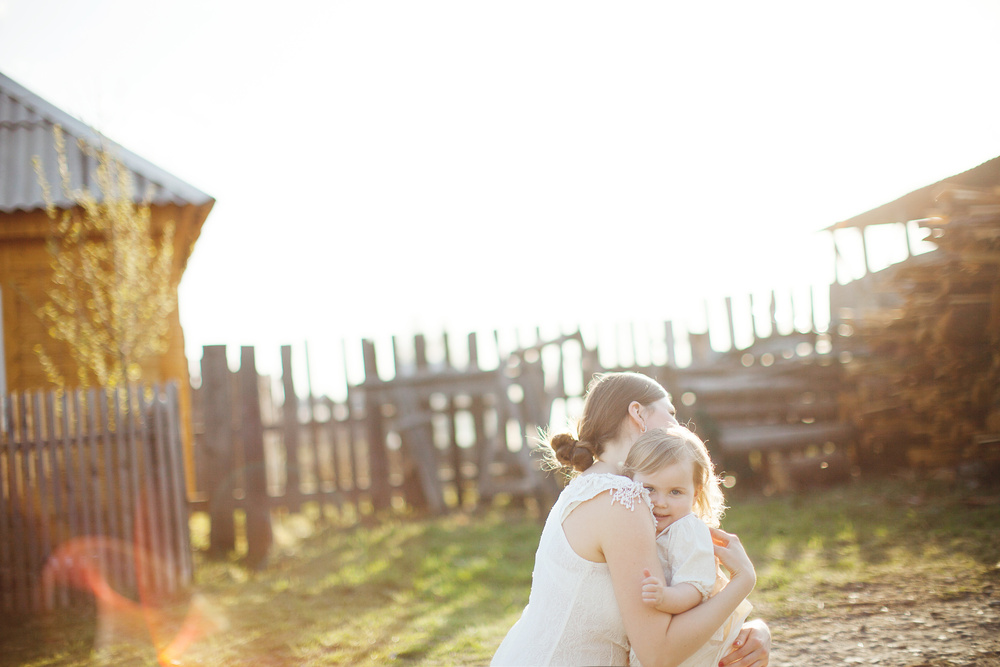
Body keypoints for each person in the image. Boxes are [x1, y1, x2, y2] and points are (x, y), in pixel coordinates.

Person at [491, 372, 770, 667]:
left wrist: (752, 630)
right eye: (671, 413)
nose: (677, 426)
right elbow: (658, 654)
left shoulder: (594, 484)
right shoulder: (622, 498)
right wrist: (743, 581)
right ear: (638, 413)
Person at [623, 425, 754, 667]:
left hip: (694, 643)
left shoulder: (687, 531)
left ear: (695, 495)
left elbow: (694, 589)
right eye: (649, 489)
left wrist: (665, 597)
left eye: (675, 492)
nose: (660, 502)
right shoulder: (641, 527)